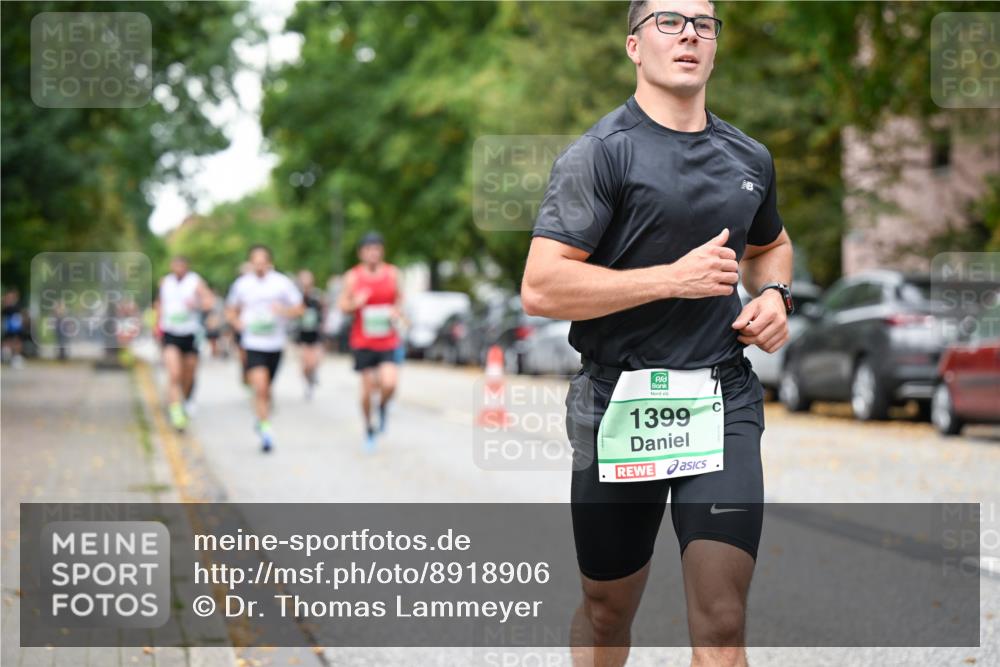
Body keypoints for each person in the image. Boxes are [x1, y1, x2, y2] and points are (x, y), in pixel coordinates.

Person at [520, 2, 795, 665]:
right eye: (669, 22)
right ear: (634, 47)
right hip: (617, 401)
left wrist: (776, 294)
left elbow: (772, 244)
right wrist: (669, 279)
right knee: (608, 609)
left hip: (720, 400)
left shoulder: (748, 155)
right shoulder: (600, 155)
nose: (690, 34)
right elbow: (542, 286)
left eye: (703, 23)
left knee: (723, 620)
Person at [226, 245, 304, 452]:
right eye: (255, 262)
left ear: (270, 263)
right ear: (250, 263)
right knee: (259, 388)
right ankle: (266, 430)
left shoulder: (282, 283)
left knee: (267, 389)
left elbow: (300, 309)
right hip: (252, 343)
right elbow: (231, 311)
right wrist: (236, 323)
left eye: (263, 262)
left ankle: (261, 418)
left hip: (275, 344)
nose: (259, 266)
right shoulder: (241, 285)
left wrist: (284, 310)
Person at [338, 232, 403, 452]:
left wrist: (396, 312)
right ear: (361, 253)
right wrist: (355, 303)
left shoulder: (393, 273)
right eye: (368, 249)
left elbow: (400, 301)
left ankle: (383, 406)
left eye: (376, 248)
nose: (373, 253)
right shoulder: (353, 277)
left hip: (387, 339)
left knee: (389, 383)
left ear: (382, 251)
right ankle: (368, 428)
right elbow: (342, 306)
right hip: (363, 340)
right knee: (367, 391)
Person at [155, 257, 214, 431]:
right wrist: (156, 325)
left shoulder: (195, 281)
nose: (178, 268)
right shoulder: (165, 282)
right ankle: (176, 412)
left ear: (187, 266)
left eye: (182, 265)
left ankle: (186, 399)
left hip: (190, 333)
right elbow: (159, 304)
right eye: (175, 265)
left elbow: (208, 301)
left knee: (188, 374)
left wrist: (197, 303)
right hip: (170, 333)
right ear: (171, 266)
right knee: (174, 373)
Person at [295, 269, 325, 400]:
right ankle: (308, 381)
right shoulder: (295, 296)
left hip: (315, 332)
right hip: (301, 334)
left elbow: (323, 311)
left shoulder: (317, 295)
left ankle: (313, 375)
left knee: (315, 360)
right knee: (305, 364)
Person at [1, 288, 26, 368]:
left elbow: (20, 315)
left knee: (17, 342)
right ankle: (7, 357)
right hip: (8, 327)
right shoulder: (6, 307)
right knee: (7, 341)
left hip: (16, 327)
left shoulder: (17, 306)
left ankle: (16, 358)